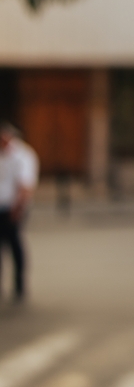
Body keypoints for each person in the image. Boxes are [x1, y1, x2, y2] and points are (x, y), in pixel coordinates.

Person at [0, 122, 38, 302]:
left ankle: (19, 286)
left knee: (14, 244)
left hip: (12, 207)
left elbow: (25, 185)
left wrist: (18, 208)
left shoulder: (22, 155)